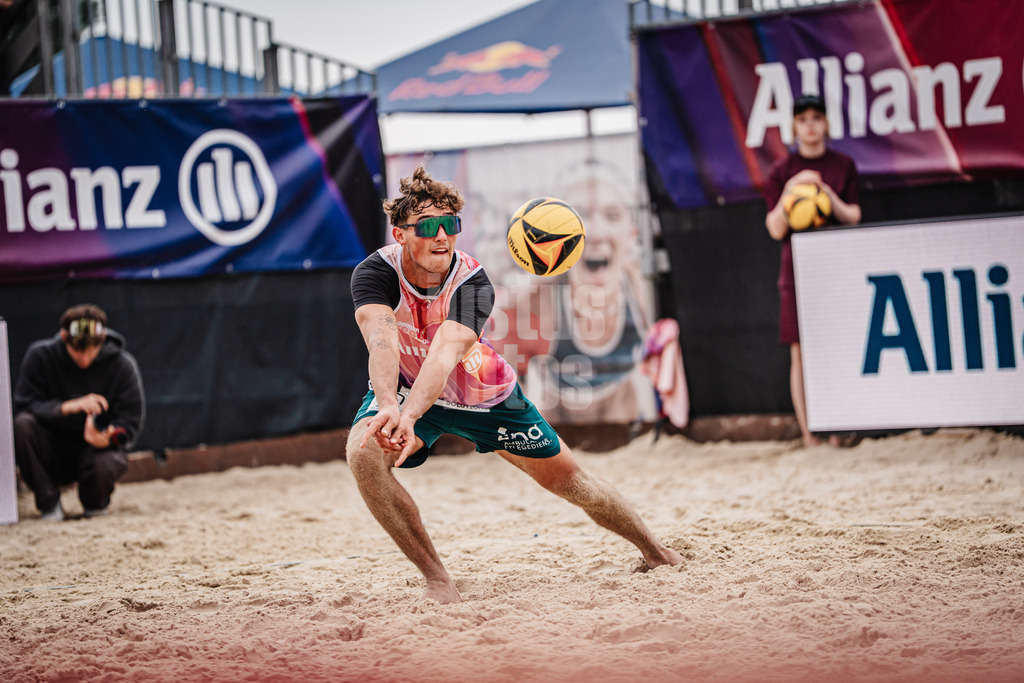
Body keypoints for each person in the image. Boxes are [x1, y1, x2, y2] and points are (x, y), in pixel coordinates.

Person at [346, 165, 683, 604]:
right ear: (400, 233)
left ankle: (656, 552)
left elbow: (445, 354)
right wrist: (390, 404)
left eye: (450, 224)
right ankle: (437, 580)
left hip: (482, 395)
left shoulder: (473, 281)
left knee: (570, 480)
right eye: (428, 226)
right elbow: (382, 339)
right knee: (362, 453)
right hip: (408, 387)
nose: (442, 236)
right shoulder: (374, 272)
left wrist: (408, 416)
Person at [764, 94, 861, 447]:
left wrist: (824, 193)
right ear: (794, 127)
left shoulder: (843, 165)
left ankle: (837, 432)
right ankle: (809, 437)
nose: (810, 124)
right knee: (800, 353)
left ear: (826, 123)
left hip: (834, 266)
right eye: (802, 118)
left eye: (816, 117)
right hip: (796, 270)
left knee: (835, 348)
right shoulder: (781, 171)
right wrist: (793, 190)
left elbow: (853, 216)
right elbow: (775, 228)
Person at [13, 304, 145, 520]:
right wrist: (66, 407)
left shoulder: (122, 365)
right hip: (51, 451)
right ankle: (49, 504)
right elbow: (24, 405)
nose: (84, 357)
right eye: (77, 350)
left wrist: (109, 437)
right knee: (22, 425)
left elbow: (130, 424)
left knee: (108, 461)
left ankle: (95, 504)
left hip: (95, 454)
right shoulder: (40, 356)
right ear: (64, 337)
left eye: (92, 349)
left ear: (101, 342)